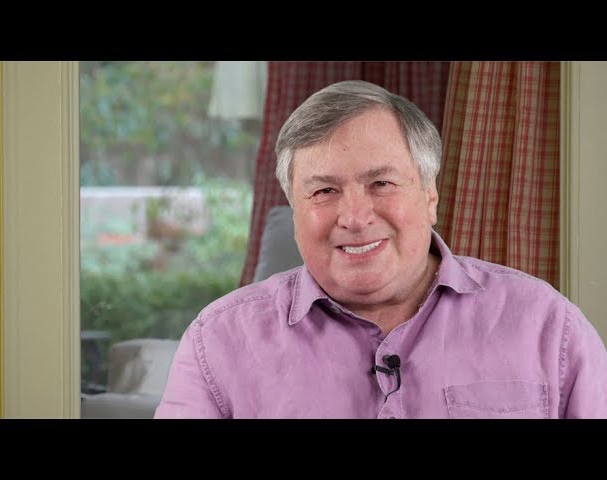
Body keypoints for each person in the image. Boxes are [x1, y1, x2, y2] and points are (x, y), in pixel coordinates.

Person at [155, 80, 607, 419]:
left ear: (430, 196)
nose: (354, 217)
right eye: (324, 190)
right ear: (295, 212)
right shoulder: (218, 343)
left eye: (382, 183)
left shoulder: (548, 327)